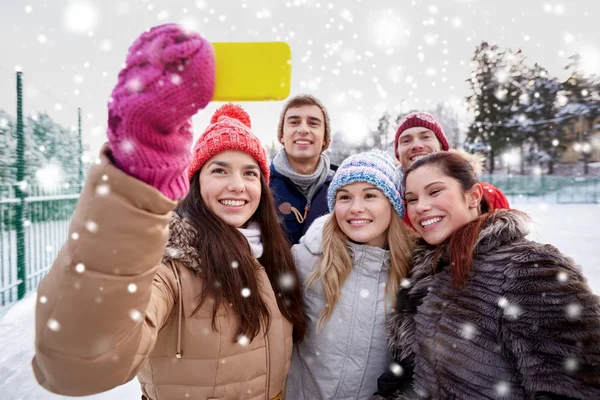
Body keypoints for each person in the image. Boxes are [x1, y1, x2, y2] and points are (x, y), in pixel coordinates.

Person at [32, 24, 306, 400]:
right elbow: (76, 367)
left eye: (250, 173)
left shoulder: (275, 257)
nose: (237, 186)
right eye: (219, 170)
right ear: (194, 183)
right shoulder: (171, 261)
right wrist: (136, 183)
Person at [378, 151, 600, 399]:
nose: (421, 207)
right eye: (412, 199)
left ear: (473, 196)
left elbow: (580, 385)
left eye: (435, 192)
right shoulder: (424, 271)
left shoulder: (527, 267)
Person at [286, 150, 415, 399]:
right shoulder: (303, 260)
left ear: (393, 203)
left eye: (370, 195)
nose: (356, 208)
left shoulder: (414, 273)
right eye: (345, 197)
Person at [393, 111, 509, 221]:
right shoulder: (388, 205)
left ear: (442, 147)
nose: (417, 145)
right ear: (398, 153)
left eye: (425, 137)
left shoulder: (489, 196)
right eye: (406, 141)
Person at [270, 94, 337, 245]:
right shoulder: (260, 185)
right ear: (281, 135)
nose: (303, 129)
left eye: (313, 123)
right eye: (294, 122)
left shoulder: (342, 189)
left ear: (326, 139)